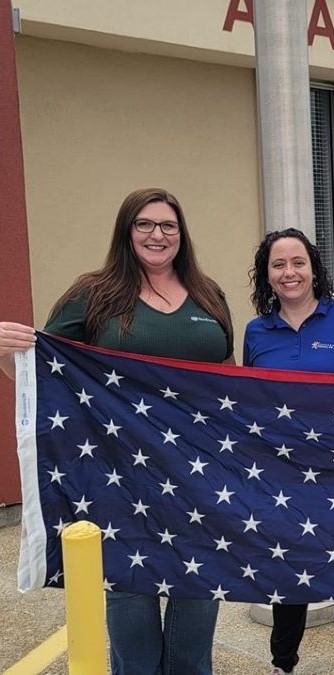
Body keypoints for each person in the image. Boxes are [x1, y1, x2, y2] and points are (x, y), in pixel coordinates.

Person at [0, 188, 234, 674]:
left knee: (196, 617)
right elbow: (45, 373)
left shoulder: (209, 294)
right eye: (144, 224)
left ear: (181, 234)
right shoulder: (94, 293)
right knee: (132, 621)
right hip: (119, 481)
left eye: (168, 225)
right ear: (127, 231)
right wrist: (8, 354)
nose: (157, 234)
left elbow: (228, 380)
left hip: (199, 478)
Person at [244, 227, 334, 675]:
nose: (290, 273)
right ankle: (282, 663)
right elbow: (250, 402)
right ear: (266, 275)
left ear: (313, 268)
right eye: (279, 264)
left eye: (298, 262)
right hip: (284, 476)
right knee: (289, 569)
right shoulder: (255, 332)